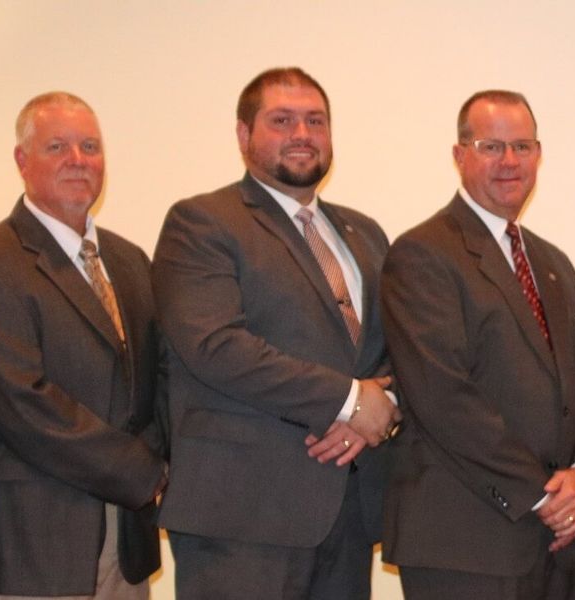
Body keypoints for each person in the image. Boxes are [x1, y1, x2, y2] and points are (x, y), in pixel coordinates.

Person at [152, 67, 399, 598]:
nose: (302, 133)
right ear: (243, 136)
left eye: (316, 120)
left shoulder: (365, 232)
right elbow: (215, 346)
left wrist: (384, 402)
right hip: (243, 516)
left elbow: (394, 349)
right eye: (281, 120)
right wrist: (349, 401)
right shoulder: (202, 222)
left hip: (348, 510)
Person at [380, 90, 575, 600]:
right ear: (459, 156)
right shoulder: (422, 255)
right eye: (490, 146)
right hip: (465, 544)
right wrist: (541, 494)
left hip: (558, 543)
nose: (509, 161)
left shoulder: (554, 264)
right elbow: (443, 398)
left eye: (522, 146)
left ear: (539, 156)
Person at [0, 92, 168, 599]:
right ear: (22, 162)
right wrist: (142, 470)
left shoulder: (129, 259)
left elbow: (159, 376)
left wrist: (162, 459)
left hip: (128, 539)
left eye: (90, 146)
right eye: (57, 147)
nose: (77, 160)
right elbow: (22, 402)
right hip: (40, 540)